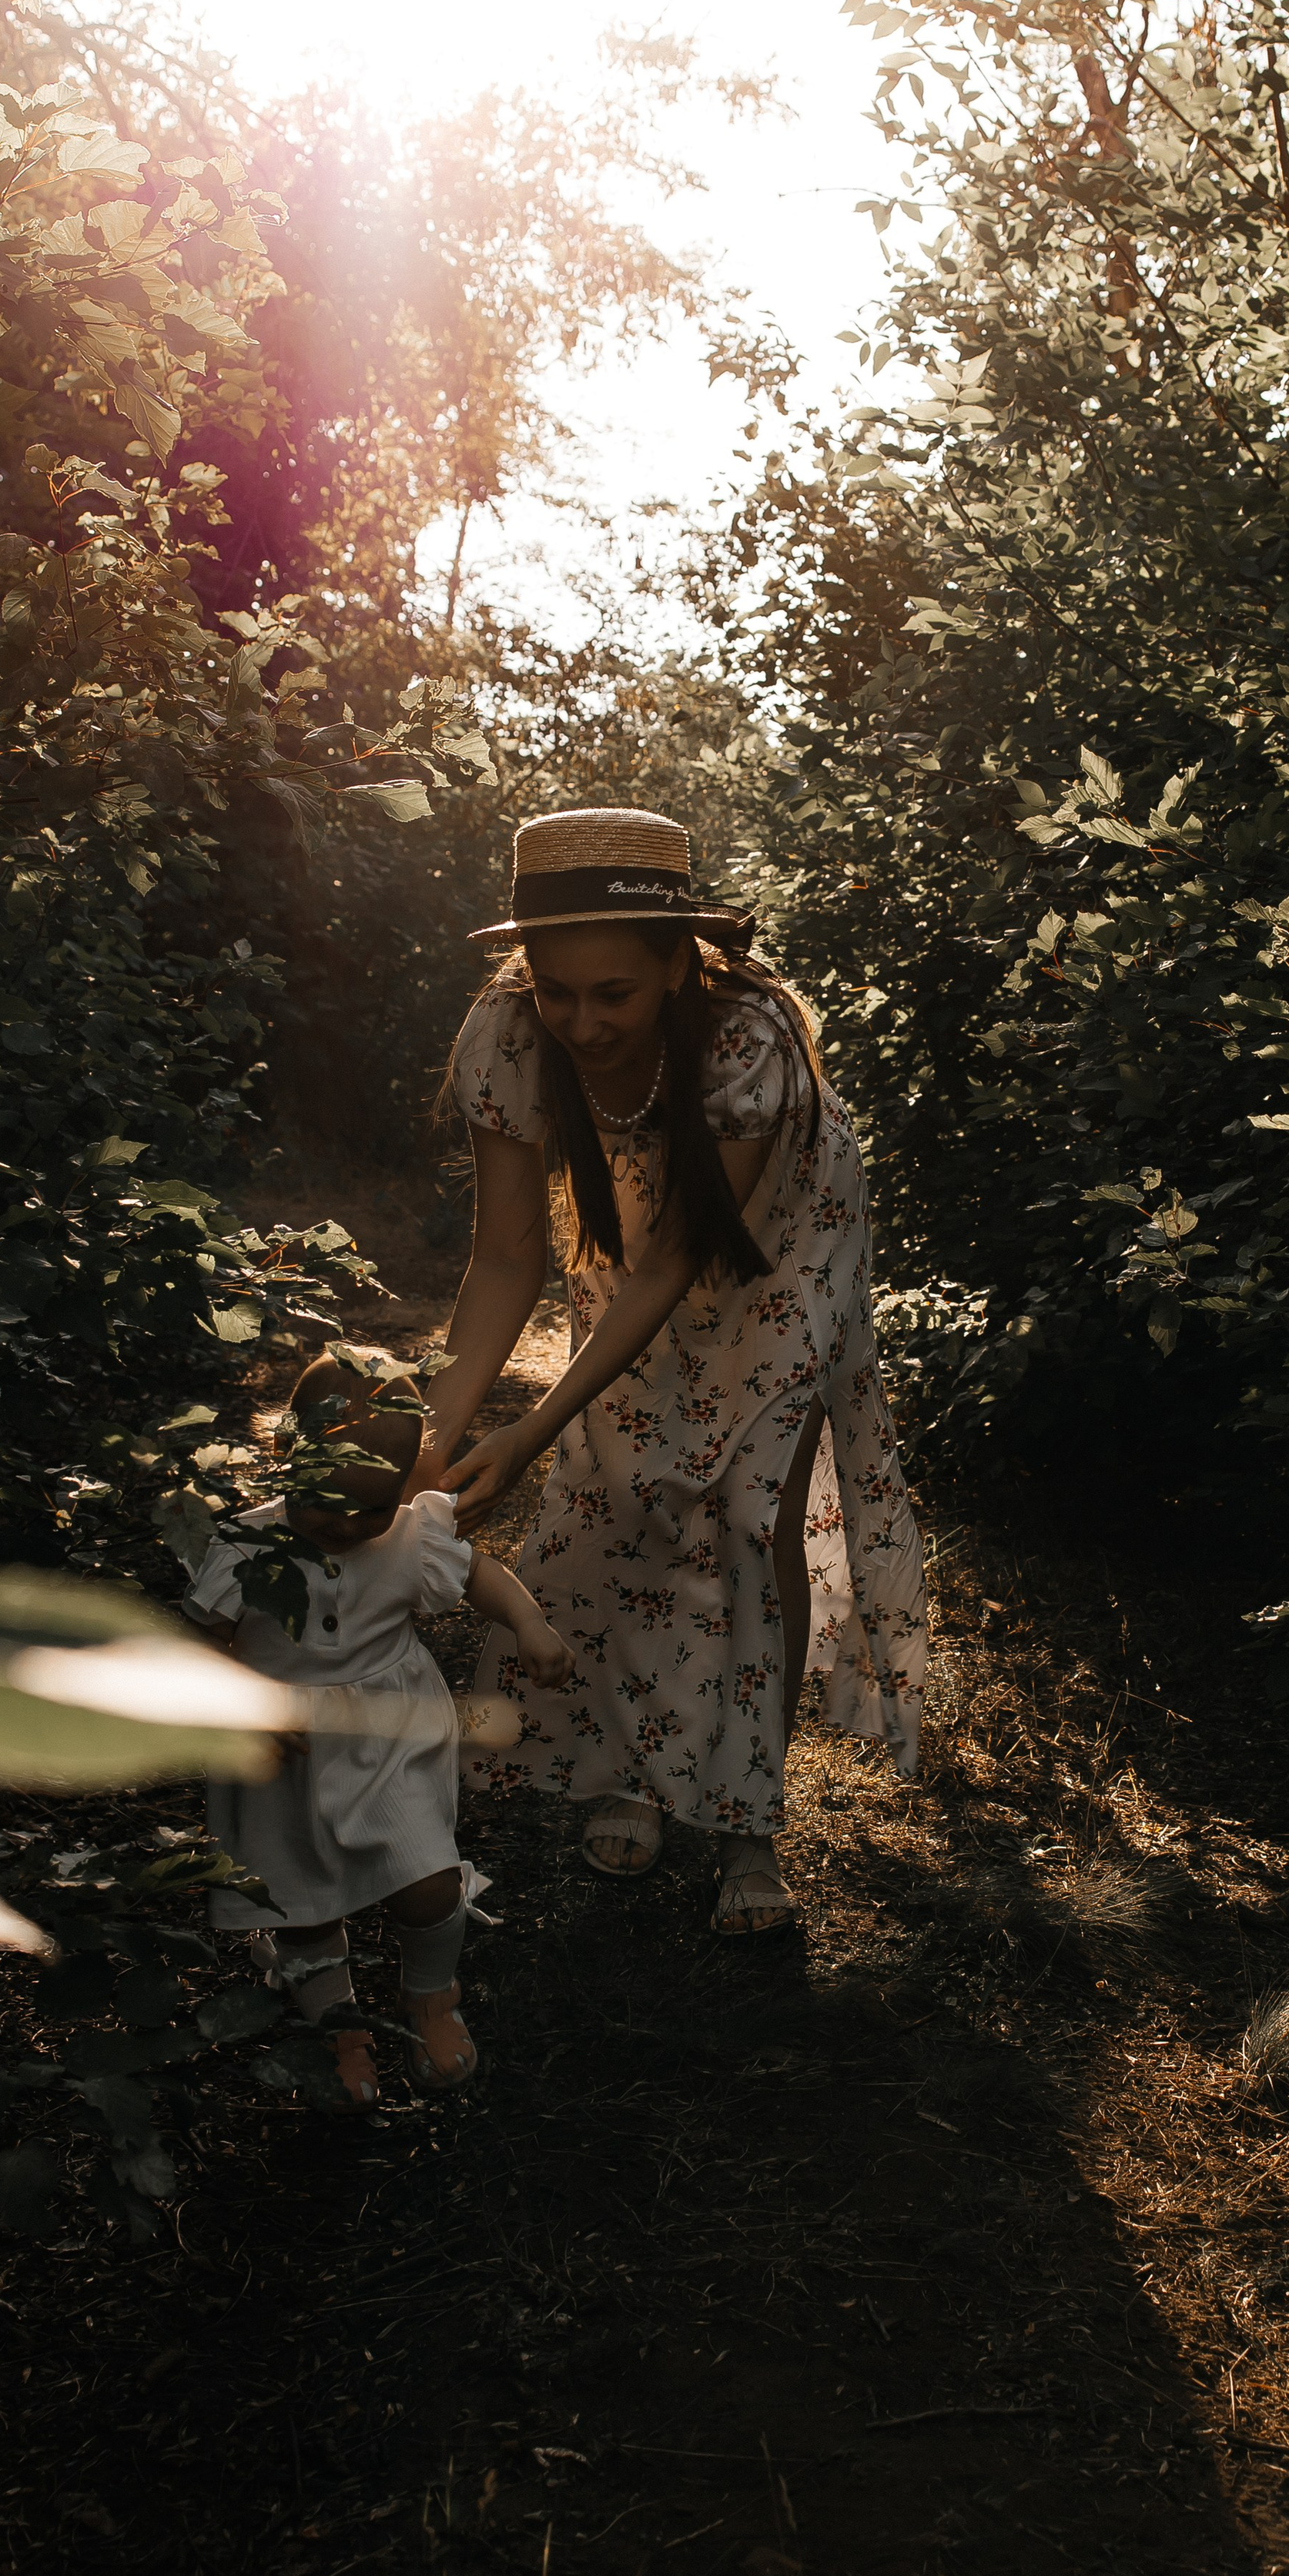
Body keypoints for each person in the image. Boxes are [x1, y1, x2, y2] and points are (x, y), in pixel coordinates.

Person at [418, 805, 926, 1935]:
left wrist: (533, 1425)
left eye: (615, 994)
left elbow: (683, 1264)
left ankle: (747, 1819)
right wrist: (432, 1443)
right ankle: (633, 1772)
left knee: (748, 1514)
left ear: (680, 968)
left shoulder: (748, 1039)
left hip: (780, 1243)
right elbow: (505, 1256)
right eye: (558, 990)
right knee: (630, 1490)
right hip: (645, 1231)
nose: (581, 1022)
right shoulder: (505, 1031)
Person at [182, 1348, 573, 2106]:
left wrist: (528, 1620)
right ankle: (336, 2020)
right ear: (284, 1452)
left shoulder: (406, 1535)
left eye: (372, 1502)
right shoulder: (244, 1549)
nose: (346, 1522)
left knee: (428, 1883)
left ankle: (430, 1997)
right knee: (303, 1906)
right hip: (285, 1757)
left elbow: (476, 1573)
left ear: (403, 1481)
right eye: (325, 1497)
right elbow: (197, 1644)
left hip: (392, 1741)